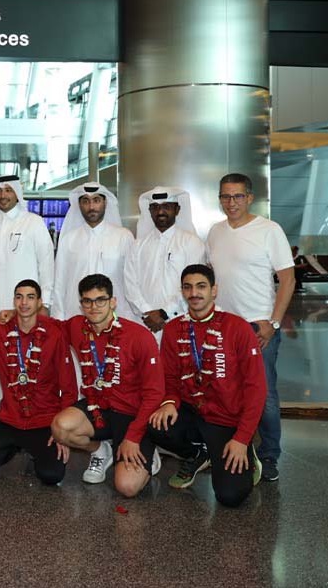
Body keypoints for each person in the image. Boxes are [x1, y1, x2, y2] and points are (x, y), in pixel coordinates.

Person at [147, 265, 267, 507]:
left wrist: (242, 439)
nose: (194, 293)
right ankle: (198, 453)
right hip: (193, 413)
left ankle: (245, 452)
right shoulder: (172, 329)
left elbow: (256, 388)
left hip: (226, 420)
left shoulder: (237, 328)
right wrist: (169, 403)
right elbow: (169, 378)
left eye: (201, 286)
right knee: (156, 424)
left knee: (231, 496)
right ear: (182, 291)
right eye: (188, 287)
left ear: (214, 290)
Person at [205, 172, 295, 482]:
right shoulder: (215, 232)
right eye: (225, 197)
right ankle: (232, 448)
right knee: (225, 392)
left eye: (238, 196)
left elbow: (288, 279)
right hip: (224, 329)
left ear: (250, 197)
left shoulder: (269, 230)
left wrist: (272, 323)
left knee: (265, 394)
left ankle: (269, 455)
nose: (231, 203)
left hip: (258, 327)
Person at [50, 274, 164, 497]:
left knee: (127, 487)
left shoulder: (140, 336)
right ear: (81, 304)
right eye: (87, 301)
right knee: (61, 427)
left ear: (113, 302)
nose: (94, 307)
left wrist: (132, 437)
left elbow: (154, 393)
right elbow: (47, 326)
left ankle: (149, 456)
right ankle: (101, 451)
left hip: (133, 415)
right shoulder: (76, 326)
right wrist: (16, 313)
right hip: (97, 407)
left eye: (100, 300)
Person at [0, 279, 74, 485]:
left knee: (51, 475)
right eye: (19, 297)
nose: (24, 303)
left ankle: (34, 449)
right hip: (10, 418)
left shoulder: (54, 333)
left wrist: (64, 432)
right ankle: (14, 447)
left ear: (39, 303)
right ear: (14, 301)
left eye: (30, 297)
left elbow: (69, 386)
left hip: (44, 421)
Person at [0, 174, 55, 318]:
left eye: (8, 190)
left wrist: (45, 303)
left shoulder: (33, 222)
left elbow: (46, 265)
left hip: (25, 307)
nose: (3, 195)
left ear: (17, 193)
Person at [123, 186, 206, 337]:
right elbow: (130, 284)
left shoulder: (192, 243)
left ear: (177, 210)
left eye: (166, 207)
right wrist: (147, 312)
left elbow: (194, 285)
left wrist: (164, 313)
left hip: (181, 321)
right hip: (145, 323)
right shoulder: (138, 245)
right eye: (155, 207)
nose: (160, 212)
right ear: (149, 211)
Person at [52, 182, 135, 321]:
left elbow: (131, 281)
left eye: (96, 200)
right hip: (76, 315)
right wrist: (59, 318)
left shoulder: (123, 237)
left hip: (116, 315)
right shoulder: (68, 239)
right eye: (86, 201)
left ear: (105, 203)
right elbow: (60, 282)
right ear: (79, 205)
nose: (91, 207)